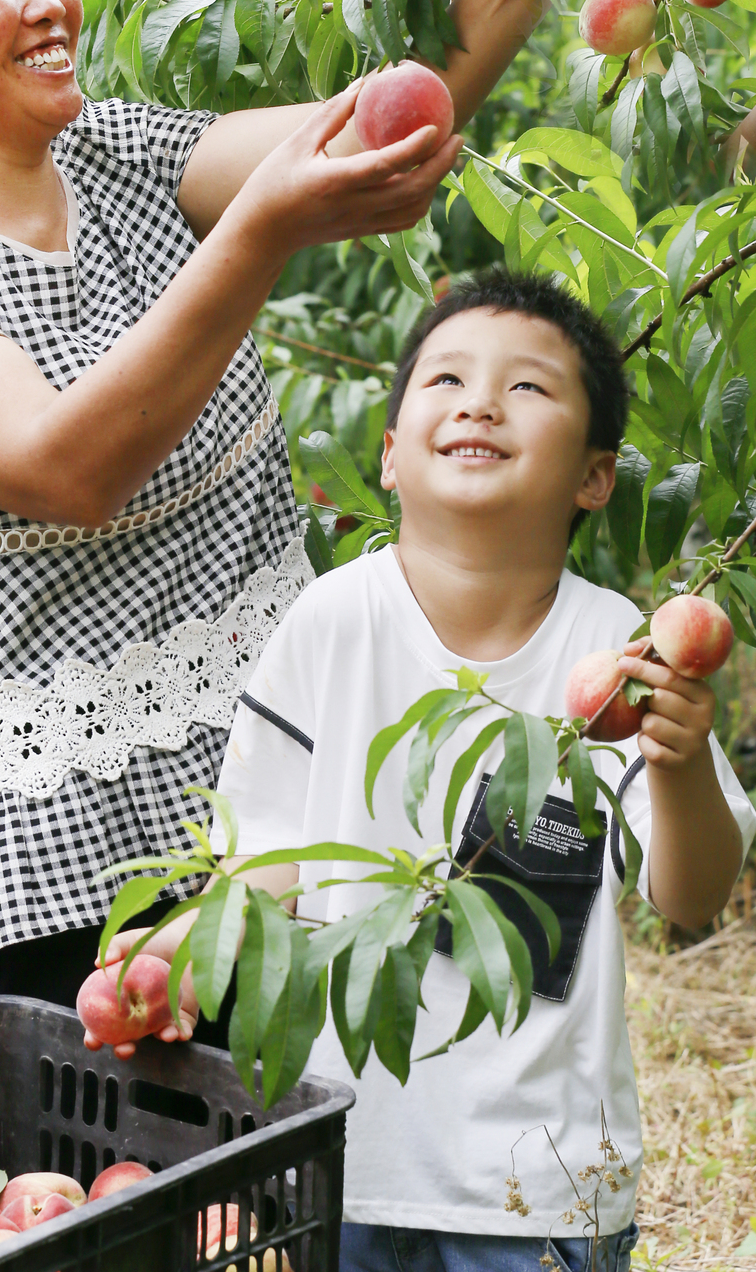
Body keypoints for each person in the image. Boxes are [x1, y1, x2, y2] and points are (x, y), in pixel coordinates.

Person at [0, 0, 561, 1011]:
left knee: (286, 1159)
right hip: (46, 850)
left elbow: (380, 123)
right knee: (105, 1179)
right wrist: (254, 238)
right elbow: (64, 466)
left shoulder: (117, 151)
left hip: (258, 771)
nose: (50, 2)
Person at [93, 270, 756, 1271]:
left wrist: (678, 757)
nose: (481, 400)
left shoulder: (617, 652)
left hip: (541, 1182)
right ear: (392, 453)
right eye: (444, 377)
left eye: (529, 387)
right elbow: (262, 863)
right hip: (341, 1152)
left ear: (594, 476)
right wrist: (174, 952)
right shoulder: (330, 623)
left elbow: (689, 893)